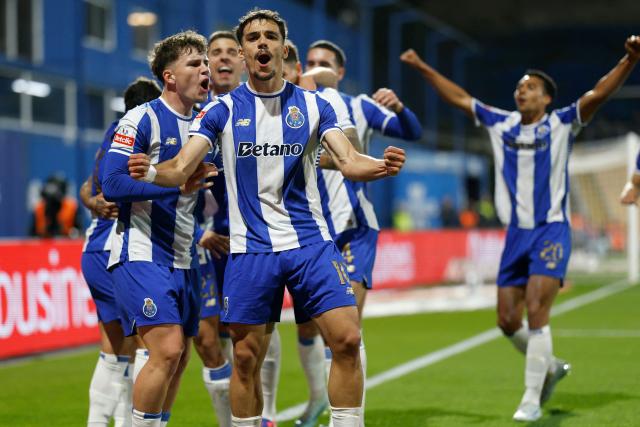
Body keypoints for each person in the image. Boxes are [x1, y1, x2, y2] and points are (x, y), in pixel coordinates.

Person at [126, 9, 406, 427]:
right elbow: (181, 168)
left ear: (281, 48)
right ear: (243, 53)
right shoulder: (220, 110)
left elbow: (348, 161)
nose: (262, 43)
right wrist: (149, 171)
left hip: (310, 242)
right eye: (253, 37)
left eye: (270, 37)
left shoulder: (313, 105)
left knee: (347, 338)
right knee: (245, 356)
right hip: (251, 248)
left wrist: (381, 165)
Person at [400, 35, 640, 421]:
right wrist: (422, 66)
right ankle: (547, 365)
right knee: (507, 321)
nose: (521, 91)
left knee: (535, 310)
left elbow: (597, 94)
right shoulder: (500, 123)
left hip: (550, 230)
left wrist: (629, 62)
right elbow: (460, 98)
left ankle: (531, 397)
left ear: (546, 98)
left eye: (530, 88)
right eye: (519, 86)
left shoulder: (562, 122)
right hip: (515, 233)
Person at [305, 39, 422, 427]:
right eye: (310, 62)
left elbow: (411, 130)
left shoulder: (358, 106)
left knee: (347, 328)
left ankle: (351, 418)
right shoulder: (295, 110)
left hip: (355, 227)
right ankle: (320, 404)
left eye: (324, 63)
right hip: (313, 232)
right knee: (316, 329)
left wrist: (399, 105)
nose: (316, 68)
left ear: (339, 72)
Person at [101, 31, 212, 427]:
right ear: (169, 76)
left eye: (206, 62)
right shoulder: (141, 118)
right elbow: (111, 183)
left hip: (185, 256)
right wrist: (172, 186)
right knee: (166, 349)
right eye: (195, 63)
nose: (205, 69)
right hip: (141, 250)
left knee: (179, 358)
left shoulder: (207, 123)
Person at [81, 77, 161, 427]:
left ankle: (103, 422)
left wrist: (92, 201)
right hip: (120, 247)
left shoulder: (113, 132)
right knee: (148, 347)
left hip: (94, 248)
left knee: (117, 351)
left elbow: (87, 187)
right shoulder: (140, 138)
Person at [190, 30, 245, 427]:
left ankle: (265, 413)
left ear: (242, 60)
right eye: (215, 53)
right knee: (207, 341)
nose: (223, 59)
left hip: (252, 242)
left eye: (231, 52)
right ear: (207, 63)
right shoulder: (193, 115)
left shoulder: (267, 110)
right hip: (205, 242)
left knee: (249, 341)